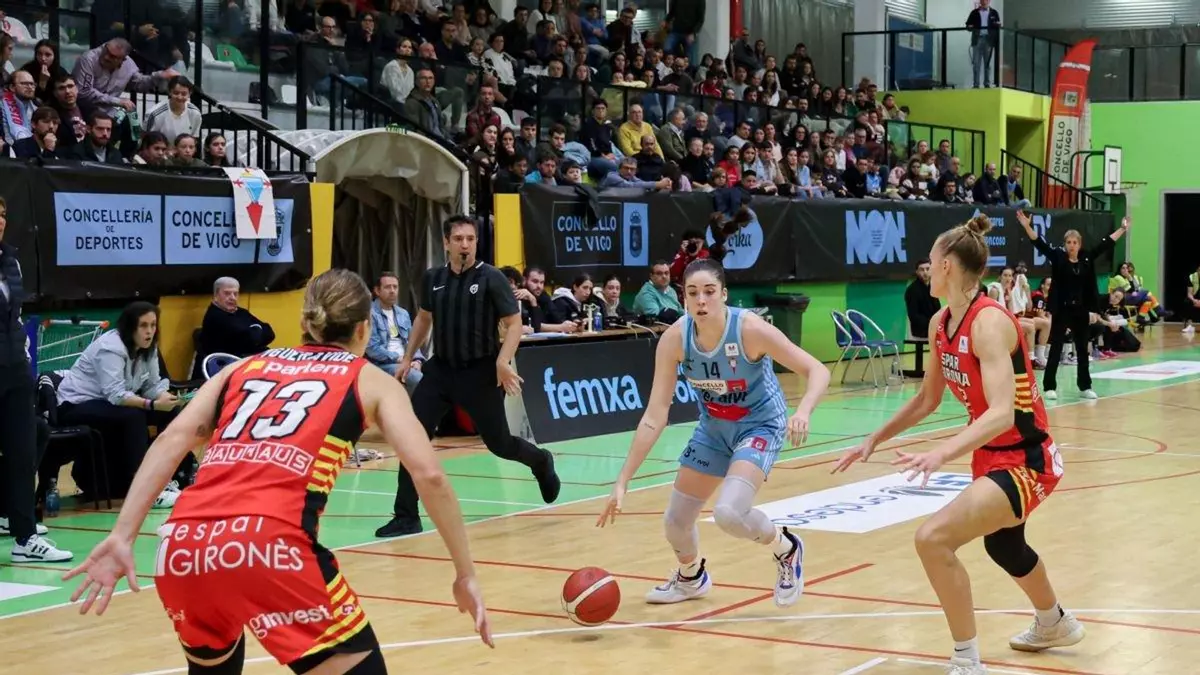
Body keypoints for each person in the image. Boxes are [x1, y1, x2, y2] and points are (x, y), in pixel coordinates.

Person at [63, 269, 493, 675]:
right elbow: (429, 475)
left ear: (306, 322)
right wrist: (465, 572)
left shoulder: (242, 367)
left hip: (184, 545)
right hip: (271, 546)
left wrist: (122, 535)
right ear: (364, 329)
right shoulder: (369, 379)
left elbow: (171, 440)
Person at [833, 215, 1085, 675]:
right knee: (1004, 547)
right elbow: (927, 399)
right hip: (991, 454)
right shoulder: (939, 323)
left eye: (931, 260)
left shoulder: (988, 323)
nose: (927, 268)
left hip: (1026, 458)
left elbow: (1002, 412)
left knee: (932, 540)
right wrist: (873, 438)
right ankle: (1054, 622)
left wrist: (941, 453)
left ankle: (967, 660)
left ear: (946, 265)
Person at [597, 258, 830, 606]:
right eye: (692, 293)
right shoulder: (675, 339)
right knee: (675, 522)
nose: (701, 300)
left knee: (729, 513)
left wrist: (804, 411)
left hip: (760, 425)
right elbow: (655, 415)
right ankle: (691, 578)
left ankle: (787, 548)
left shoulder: (750, 329)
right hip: (713, 430)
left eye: (709, 291)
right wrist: (622, 480)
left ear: (723, 294)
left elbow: (817, 370)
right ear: (684, 298)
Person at [377, 216, 561, 538]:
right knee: (412, 437)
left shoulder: (492, 278)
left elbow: (514, 324)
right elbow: (423, 319)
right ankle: (406, 515)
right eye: (459, 239)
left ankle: (541, 461)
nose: (465, 245)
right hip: (441, 371)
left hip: (481, 372)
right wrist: (407, 357)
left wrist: (503, 361)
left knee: (500, 444)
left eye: (471, 239)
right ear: (446, 243)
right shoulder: (433, 278)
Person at [0, 196, 72, 562]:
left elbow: (15, 316)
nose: (0, 221)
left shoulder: (10, 261)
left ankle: (24, 537)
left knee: (23, 449)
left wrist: (25, 360)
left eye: (2, 214)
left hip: (14, 371)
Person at [1016, 211, 1127, 400]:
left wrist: (1122, 229)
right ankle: (1049, 386)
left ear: (1079, 244)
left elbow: (1106, 244)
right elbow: (1039, 243)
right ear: (1065, 244)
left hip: (1081, 310)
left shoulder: (1086, 258)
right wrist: (1027, 226)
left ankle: (1085, 386)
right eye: (1069, 242)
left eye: (1075, 242)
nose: (1072, 245)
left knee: (1082, 349)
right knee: (1056, 347)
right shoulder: (1058, 257)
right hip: (1062, 309)